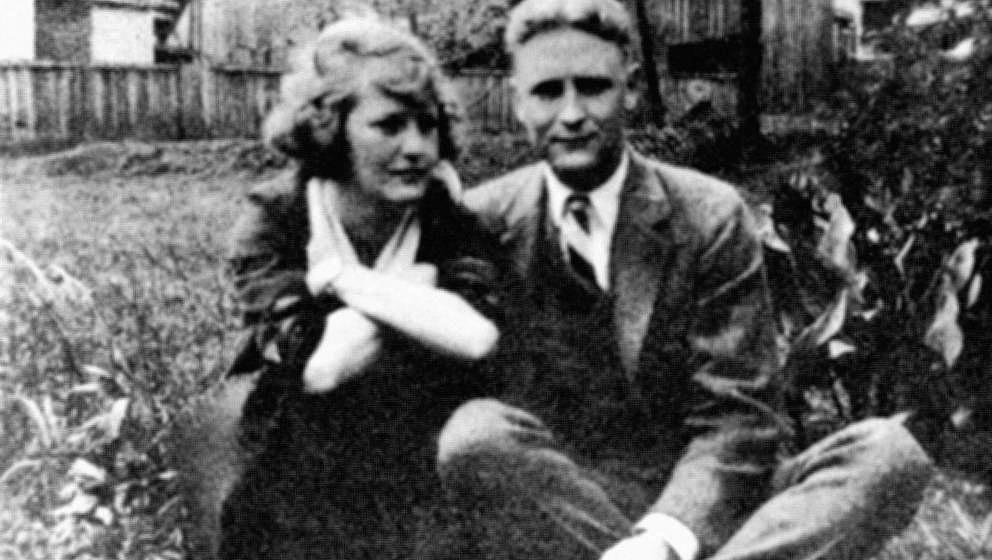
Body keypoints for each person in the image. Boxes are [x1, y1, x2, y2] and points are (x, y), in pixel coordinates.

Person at [434, 1, 936, 559]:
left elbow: (739, 415)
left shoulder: (708, 214)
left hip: (710, 507)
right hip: (566, 506)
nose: (571, 113)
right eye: (548, 91)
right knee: (475, 435)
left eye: (593, 87)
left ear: (630, 90)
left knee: (888, 454)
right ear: (518, 100)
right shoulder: (480, 220)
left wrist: (665, 537)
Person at [175, 17, 507, 560]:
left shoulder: (449, 220)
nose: (417, 148)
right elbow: (320, 367)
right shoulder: (277, 218)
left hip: (417, 434)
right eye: (389, 126)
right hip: (295, 441)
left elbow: (475, 337)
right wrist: (413, 297)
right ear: (330, 128)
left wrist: (342, 280)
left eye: (428, 126)